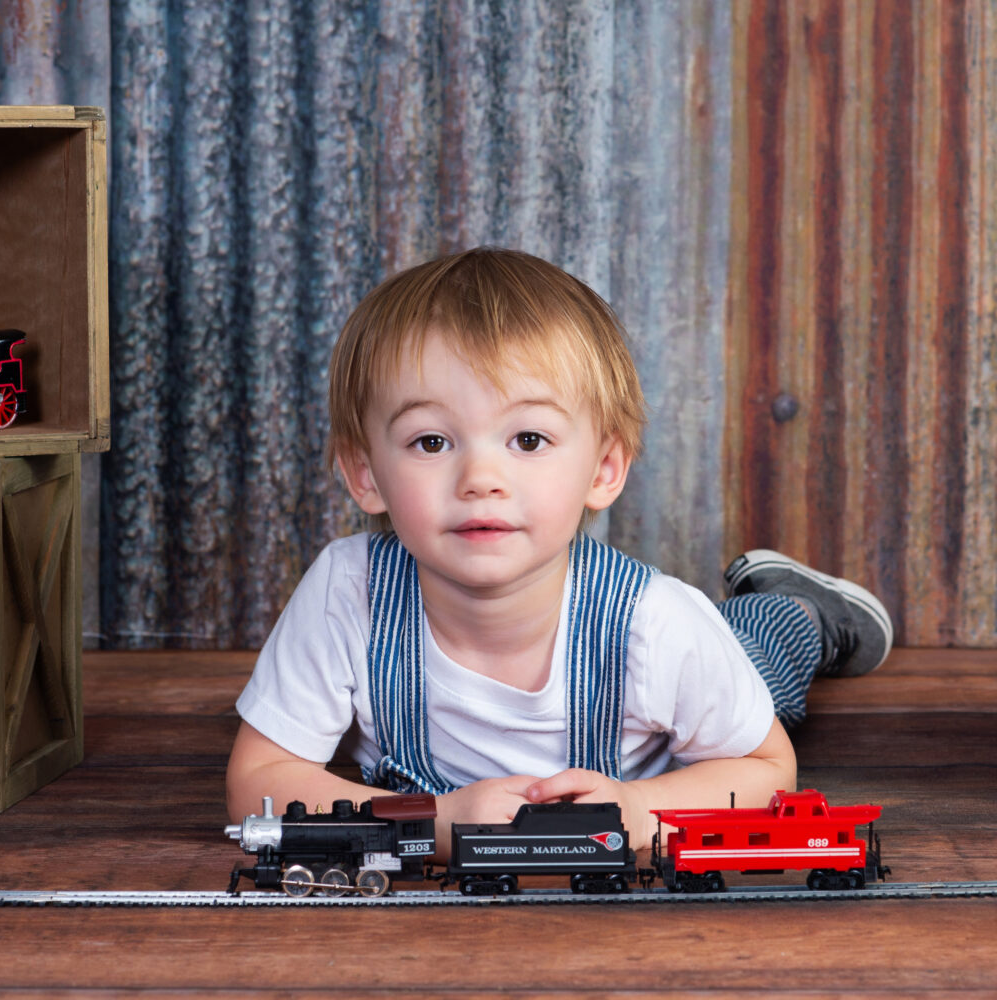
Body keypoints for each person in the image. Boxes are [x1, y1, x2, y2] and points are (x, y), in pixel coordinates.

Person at [225, 246, 892, 857]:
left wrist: (636, 809)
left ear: (603, 469)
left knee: (754, 652)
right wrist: (436, 819)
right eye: (432, 442)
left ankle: (794, 607)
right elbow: (257, 782)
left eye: (528, 440)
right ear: (365, 472)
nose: (480, 479)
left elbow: (764, 769)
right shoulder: (351, 592)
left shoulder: (656, 626)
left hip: (687, 689)